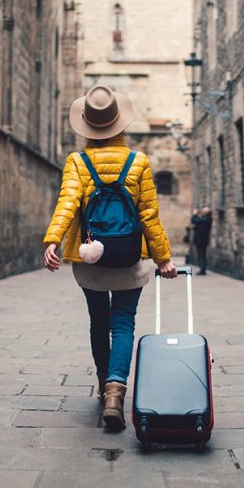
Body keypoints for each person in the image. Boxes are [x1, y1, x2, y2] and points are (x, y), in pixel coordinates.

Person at [43, 85, 177, 431]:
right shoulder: (139, 162)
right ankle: (118, 391)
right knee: (124, 322)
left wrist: (53, 240)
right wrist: (163, 258)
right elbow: (149, 215)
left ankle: (104, 386)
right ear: (121, 125)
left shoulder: (77, 162)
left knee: (98, 322)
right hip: (131, 259)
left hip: (91, 260)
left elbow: (68, 204)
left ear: (87, 126)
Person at [191, 206, 212, 275]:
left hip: (202, 240)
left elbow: (194, 220)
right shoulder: (205, 219)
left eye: (203, 211)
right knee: (201, 254)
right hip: (201, 240)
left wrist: (194, 214)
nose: (202, 212)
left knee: (201, 255)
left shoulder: (207, 220)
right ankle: (202, 269)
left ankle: (202, 270)